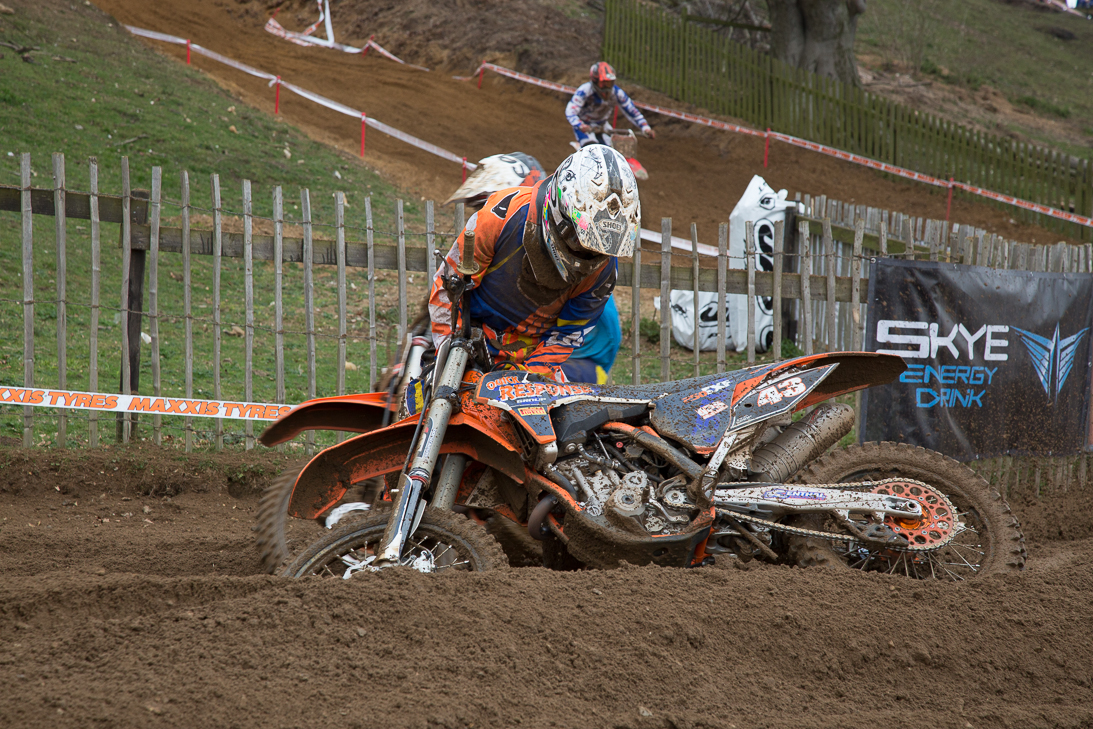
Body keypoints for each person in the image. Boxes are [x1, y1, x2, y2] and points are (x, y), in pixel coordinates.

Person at [429, 145, 639, 383]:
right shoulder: (500, 217)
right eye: (582, 239)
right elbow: (448, 288)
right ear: (561, 209)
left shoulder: (603, 271)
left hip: (532, 357)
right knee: (429, 395)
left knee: (568, 406)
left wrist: (526, 380)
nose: (588, 252)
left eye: (598, 247)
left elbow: (566, 335)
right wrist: (451, 349)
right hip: (467, 340)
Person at [565, 62, 656, 149]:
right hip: (585, 125)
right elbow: (570, 111)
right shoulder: (585, 91)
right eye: (604, 83)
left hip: (603, 125)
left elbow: (632, 111)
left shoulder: (617, 93)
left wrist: (646, 128)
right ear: (595, 81)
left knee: (612, 151)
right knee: (592, 149)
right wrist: (580, 125)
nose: (607, 87)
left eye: (609, 83)